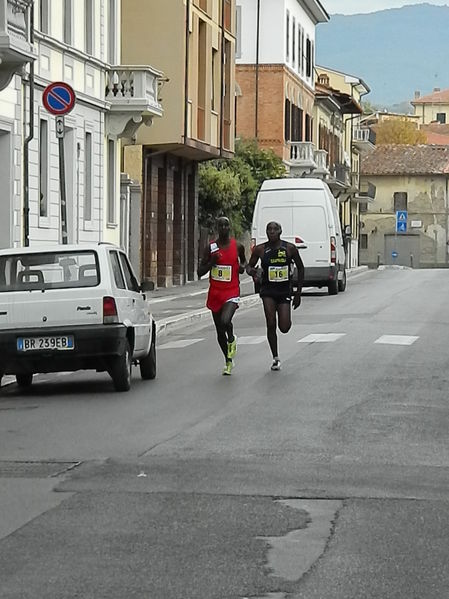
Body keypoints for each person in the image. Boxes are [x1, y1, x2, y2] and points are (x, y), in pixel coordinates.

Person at [246, 221, 304, 371]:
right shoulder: (260, 250)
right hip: (268, 291)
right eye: (269, 230)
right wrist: (253, 271)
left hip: (284, 290)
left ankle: (284, 322)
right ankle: (275, 357)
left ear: (280, 232)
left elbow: (301, 268)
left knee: (284, 327)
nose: (271, 232)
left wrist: (298, 293)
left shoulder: (289, 248)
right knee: (270, 322)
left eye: (274, 229)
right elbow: (248, 266)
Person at [198, 216, 246, 375]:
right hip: (215, 292)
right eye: (221, 225)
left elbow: (243, 263)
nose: (224, 228)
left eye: (227, 225)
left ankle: (231, 338)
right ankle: (228, 360)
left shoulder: (237, 246)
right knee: (219, 330)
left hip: (231, 290)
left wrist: (242, 268)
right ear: (217, 228)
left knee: (226, 321)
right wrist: (212, 262)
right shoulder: (211, 248)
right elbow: (199, 272)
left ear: (230, 227)